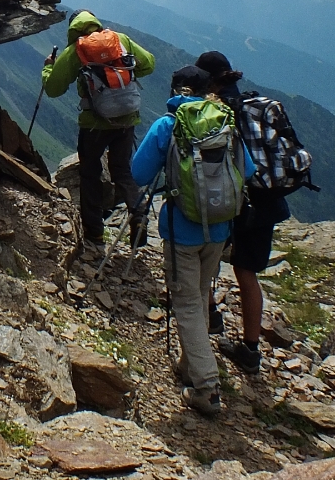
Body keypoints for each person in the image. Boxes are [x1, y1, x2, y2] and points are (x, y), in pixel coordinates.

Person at [131, 65, 254, 416]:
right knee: (200, 294)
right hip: (219, 228)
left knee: (185, 302)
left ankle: (206, 387)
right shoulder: (224, 123)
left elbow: (138, 174)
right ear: (207, 90)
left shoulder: (167, 126)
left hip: (181, 230)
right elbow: (247, 172)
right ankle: (188, 365)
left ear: (173, 88)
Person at [197, 50, 290, 376]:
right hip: (266, 202)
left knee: (204, 257)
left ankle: (210, 316)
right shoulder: (258, 106)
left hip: (232, 201)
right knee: (246, 273)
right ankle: (251, 350)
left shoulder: (215, 111)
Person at [42, 10, 155, 244]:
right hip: (126, 118)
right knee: (122, 169)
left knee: (90, 173)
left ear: (73, 28)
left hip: (94, 124)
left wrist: (47, 68)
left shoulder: (76, 50)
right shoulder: (120, 39)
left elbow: (53, 88)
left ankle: (94, 232)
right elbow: (149, 64)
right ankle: (138, 212)